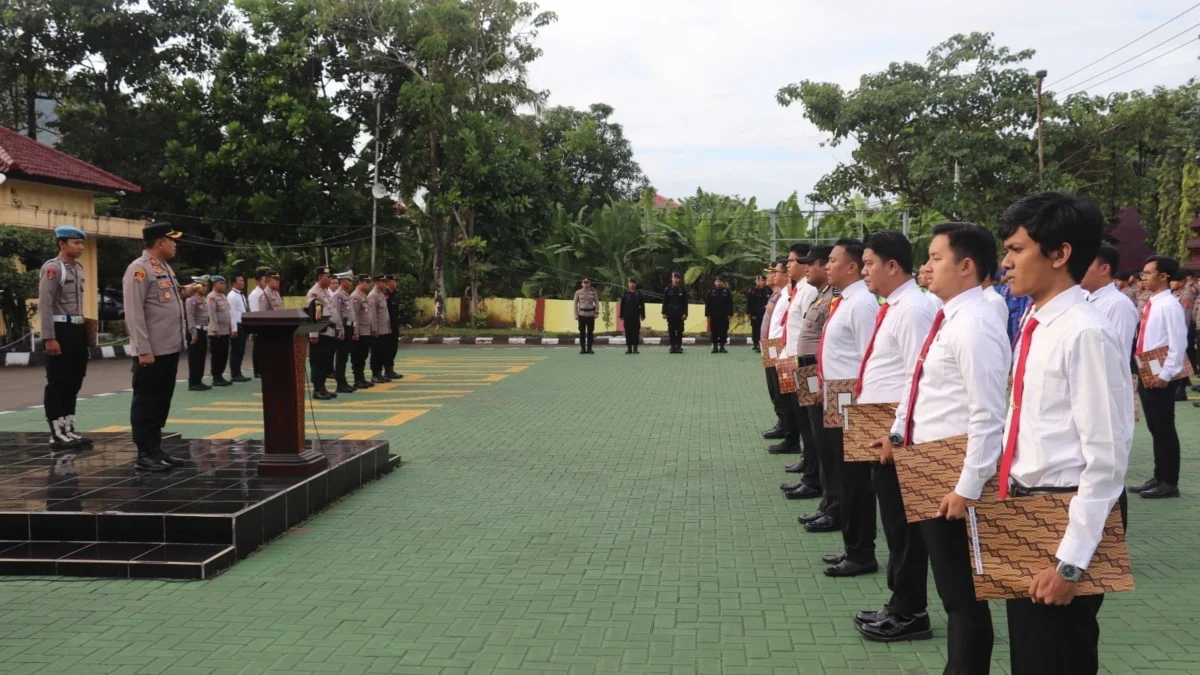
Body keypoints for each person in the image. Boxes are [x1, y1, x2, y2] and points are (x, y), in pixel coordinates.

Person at [996, 192, 1133, 675]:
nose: (1006, 263)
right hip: (1028, 507)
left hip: (1065, 515)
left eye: (1016, 250)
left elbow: (1107, 457)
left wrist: (1070, 563)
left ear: (1060, 254)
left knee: (1057, 658)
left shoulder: (1085, 332)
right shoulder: (1036, 322)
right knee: (1031, 655)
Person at [880, 222, 1010, 674]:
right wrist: (898, 436)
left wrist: (968, 485)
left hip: (952, 472)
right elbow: (923, 388)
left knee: (963, 597)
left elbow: (988, 413)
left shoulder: (974, 324)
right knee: (953, 592)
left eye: (936, 257)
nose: (927, 266)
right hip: (929, 465)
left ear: (967, 265)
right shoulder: (949, 316)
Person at [849, 231, 937, 641]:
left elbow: (917, 378)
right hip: (883, 427)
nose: (863, 270)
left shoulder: (914, 309)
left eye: (868, 263)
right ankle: (900, 603)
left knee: (904, 528)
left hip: (896, 433)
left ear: (892, 266)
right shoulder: (895, 306)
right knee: (895, 524)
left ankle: (910, 612)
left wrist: (896, 434)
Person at [810, 238, 879, 551]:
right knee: (840, 470)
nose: (827, 266)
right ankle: (851, 542)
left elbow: (868, 357)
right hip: (837, 393)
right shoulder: (846, 300)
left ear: (851, 267)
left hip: (851, 396)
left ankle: (861, 549)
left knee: (854, 478)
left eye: (833, 261)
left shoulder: (862, 303)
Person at [122, 222, 188, 472]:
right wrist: (142, 349)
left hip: (169, 348)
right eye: (172, 240)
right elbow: (134, 312)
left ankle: (156, 448)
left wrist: (186, 293)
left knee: (161, 401)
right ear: (160, 242)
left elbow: (164, 301)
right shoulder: (138, 270)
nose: (175, 244)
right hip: (151, 352)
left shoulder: (164, 268)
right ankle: (144, 452)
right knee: (146, 402)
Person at [1128, 255, 1188, 499]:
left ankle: (1169, 481)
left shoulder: (1170, 305)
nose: (1144, 277)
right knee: (1155, 426)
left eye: (1148, 273)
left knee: (1164, 427)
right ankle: (1159, 475)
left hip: (1160, 372)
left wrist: (1166, 374)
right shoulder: (1153, 301)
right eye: (1143, 273)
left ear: (1163, 276)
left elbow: (1178, 343)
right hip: (1147, 368)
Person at [787, 246, 833, 514]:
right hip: (808, 367)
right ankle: (812, 475)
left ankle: (815, 480)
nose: (806, 268)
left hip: (816, 369)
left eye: (811, 263)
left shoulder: (835, 297)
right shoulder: (821, 294)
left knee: (818, 431)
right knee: (811, 426)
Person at [39, 225, 93, 449]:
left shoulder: (77, 268)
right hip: (60, 330)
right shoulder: (53, 269)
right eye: (76, 243)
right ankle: (57, 432)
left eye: (81, 243)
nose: (81, 247)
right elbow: (45, 305)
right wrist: (49, 338)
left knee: (74, 380)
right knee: (58, 382)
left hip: (77, 330)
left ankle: (69, 428)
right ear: (62, 244)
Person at [771, 245, 817, 457]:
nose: (788, 265)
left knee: (804, 413)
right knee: (792, 406)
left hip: (799, 360)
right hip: (786, 355)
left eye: (791, 261)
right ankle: (803, 455)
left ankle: (805, 456)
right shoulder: (796, 290)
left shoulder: (808, 290)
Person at [1081, 244, 1138, 356]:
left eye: (1085, 264)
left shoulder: (1119, 305)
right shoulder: (1083, 298)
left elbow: (1118, 354)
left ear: (1104, 269)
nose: (1078, 269)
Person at [305, 266, 342, 400]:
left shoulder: (325, 292)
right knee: (318, 362)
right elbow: (315, 315)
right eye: (328, 277)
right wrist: (313, 334)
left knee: (326, 361)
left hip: (329, 331)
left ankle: (323, 387)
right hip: (321, 332)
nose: (330, 279)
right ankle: (318, 389)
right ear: (320, 277)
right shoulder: (315, 293)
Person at [330, 271, 357, 393]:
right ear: (342, 281)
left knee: (345, 356)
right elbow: (337, 314)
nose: (351, 282)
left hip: (349, 327)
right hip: (343, 328)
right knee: (341, 357)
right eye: (349, 280)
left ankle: (343, 381)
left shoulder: (346, 294)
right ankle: (340, 383)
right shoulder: (338, 296)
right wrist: (340, 330)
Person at [206, 275, 233, 387]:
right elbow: (212, 315)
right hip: (217, 333)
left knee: (223, 355)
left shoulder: (223, 296)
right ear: (214, 284)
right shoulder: (211, 297)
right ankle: (216, 377)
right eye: (221, 283)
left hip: (225, 331)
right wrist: (215, 329)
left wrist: (230, 327)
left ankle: (220, 375)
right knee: (217, 355)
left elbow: (227, 313)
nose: (223, 285)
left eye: (224, 283)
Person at [185, 276, 211, 391]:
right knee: (194, 358)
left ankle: (199, 380)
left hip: (203, 330)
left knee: (201, 357)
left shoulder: (204, 299)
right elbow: (190, 317)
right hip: (195, 330)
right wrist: (193, 333)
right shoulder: (191, 300)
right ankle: (193, 382)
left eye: (205, 286)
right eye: (203, 286)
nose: (205, 288)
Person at [351, 274, 375, 389]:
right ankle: (358, 379)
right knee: (358, 357)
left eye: (369, 281)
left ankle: (361, 378)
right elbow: (354, 315)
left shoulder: (363, 296)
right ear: (360, 282)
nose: (369, 284)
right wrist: (355, 331)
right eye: (366, 281)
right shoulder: (355, 296)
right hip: (360, 332)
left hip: (367, 331)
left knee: (363, 356)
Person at [227, 273, 252, 382]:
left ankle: (238, 372)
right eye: (239, 281)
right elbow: (231, 313)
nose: (242, 282)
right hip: (237, 325)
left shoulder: (240, 295)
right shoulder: (232, 295)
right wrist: (233, 329)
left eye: (243, 280)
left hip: (242, 324)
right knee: (236, 350)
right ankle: (235, 373)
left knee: (241, 350)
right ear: (233, 283)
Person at [368, 275, 392, 382]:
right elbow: (372, 314)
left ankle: (380, 373)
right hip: (377, 330)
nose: (385, 283)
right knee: (376, 353)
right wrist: (374, 329)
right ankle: (375, 374)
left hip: (384, 329)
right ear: (377, 282)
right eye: (383, 281)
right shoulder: (373, 295)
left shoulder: (381, 294)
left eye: (385, 281)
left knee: (382, 352)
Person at [248, 268, 270, 378]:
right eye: (264, 279)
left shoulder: (267, 293)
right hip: (259, 325)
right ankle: (258, 370)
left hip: (268, 325)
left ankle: (264, 368)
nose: (266, 282)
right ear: (258, 281)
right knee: (258, 349)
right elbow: (255, 311)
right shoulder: (255, 294)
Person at [705, 276, 734, 353]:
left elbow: (730, 303)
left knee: (723, 331)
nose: (719, 283)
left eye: (720, 281)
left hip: (724, 316)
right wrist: (707, 314)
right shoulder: (711, 291)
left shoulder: (726, 291)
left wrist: (730, 313)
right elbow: (708, 303)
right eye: (717, 281)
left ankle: (722, 347)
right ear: (715, 283)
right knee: (714, 331)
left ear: (723, 283)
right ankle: (714, 347)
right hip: (714, 315)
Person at [662, 272, 689, 353]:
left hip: (680, 313)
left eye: (677, 278)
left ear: (679, 279)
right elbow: (665, 302)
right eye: (674, 278)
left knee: (680, 330)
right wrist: (664, 312)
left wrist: (685, 313)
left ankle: (679, 346)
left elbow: (685, 302)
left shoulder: (682, 289)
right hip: (670, 313)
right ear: (672, 278)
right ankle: (673, 346)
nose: (675, 280)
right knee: (671, 330)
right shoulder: (667, 289)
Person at [384, 274, 403, 380]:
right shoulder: (385, 295)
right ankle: (387, 370)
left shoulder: (394, 295)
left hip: (394, 326)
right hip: (388, 327)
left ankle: (390, 369)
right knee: (388, 349)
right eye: (394, 282)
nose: (396, 283)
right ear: (388, 283)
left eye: (396, 282)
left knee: (393, 348)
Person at [619, 277, 646, 354]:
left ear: (635, 284)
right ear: (628, 284)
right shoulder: (625, 293)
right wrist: (621, 315)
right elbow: (622, 305)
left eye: (633, 283)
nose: (632, 285)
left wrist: (643, 315)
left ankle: (635, 348)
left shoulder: (639, 294)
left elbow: (642, 305)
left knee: (635, 332)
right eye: (630, 283)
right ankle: (629, 348)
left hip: (636, 316)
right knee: (628, 332)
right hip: (627, 316)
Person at [574, 278, 600, 354]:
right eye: (584, 283)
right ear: (582, 284)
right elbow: (575, 304)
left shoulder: (593, 292)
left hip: (591, 314)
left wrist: (597, 312)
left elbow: (597, 302)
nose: (586, 284)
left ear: (589, 283)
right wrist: (575, 314)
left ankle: (589, 348)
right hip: (581, 314)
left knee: (590, 332)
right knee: (582, 332)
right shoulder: (578, 292)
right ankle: (582, 348)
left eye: (587, 282)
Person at [747, 274, 772, 352]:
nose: (763, 282)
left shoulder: (768, 290)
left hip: (765, 313)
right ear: (757, 281)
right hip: (756, 313)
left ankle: (762, 345)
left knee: (764, 330)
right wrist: (750, 313)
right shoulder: (753, 290)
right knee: (756, 329)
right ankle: (756, 344)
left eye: (764, 280)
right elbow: (749, 302)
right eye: (761, 280)